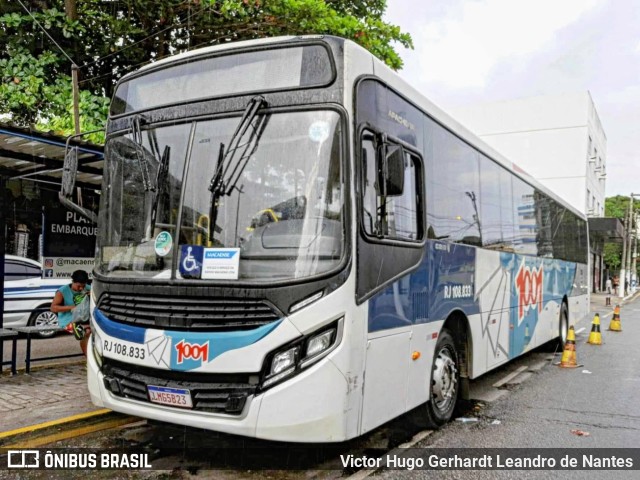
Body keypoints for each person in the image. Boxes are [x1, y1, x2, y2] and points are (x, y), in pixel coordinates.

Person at [51, 270, 91, 355]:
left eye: (83, 286)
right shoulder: (62, 291)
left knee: (93, 331)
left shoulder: (88, 288)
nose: (81, 289)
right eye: (79, 286)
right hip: (68, 320)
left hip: (83, 318)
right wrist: (72, 308)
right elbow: (53, 308)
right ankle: (87, 357)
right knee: (86, 332)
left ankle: (92, 357)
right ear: (73, 282)